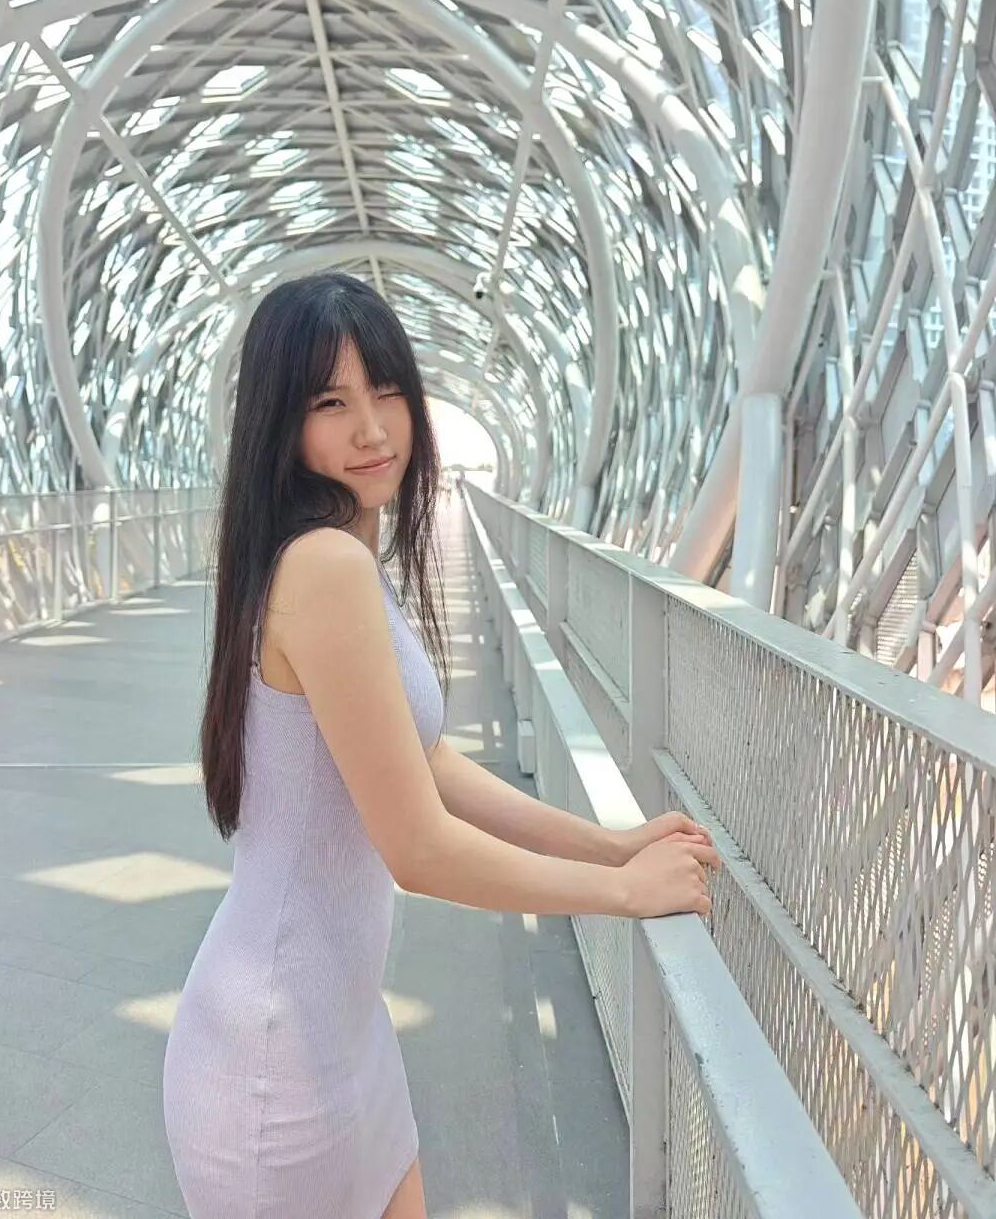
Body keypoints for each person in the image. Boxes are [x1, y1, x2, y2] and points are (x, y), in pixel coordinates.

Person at [162, 272, 719, 1219]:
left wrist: (610, 844)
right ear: (280, 425)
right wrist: (622, 894)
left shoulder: (341, 555)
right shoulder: (324, 566)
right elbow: (416, 848)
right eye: (330, 403)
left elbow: (422, 762)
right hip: (274, 1067)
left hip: (342, 1031)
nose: (372, 428)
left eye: (386, 391)